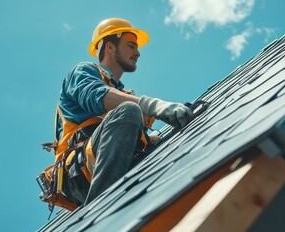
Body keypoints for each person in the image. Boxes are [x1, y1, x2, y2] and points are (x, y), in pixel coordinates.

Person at [54, 18, 193, 207]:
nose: (138, 53)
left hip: (106, 166)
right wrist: (153, 105)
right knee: (129, 111)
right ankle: (99, 211)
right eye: (131, 46)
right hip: (79, 172)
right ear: (110, 47)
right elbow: (97, 97)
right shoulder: (83, 71)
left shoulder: (120, 92)